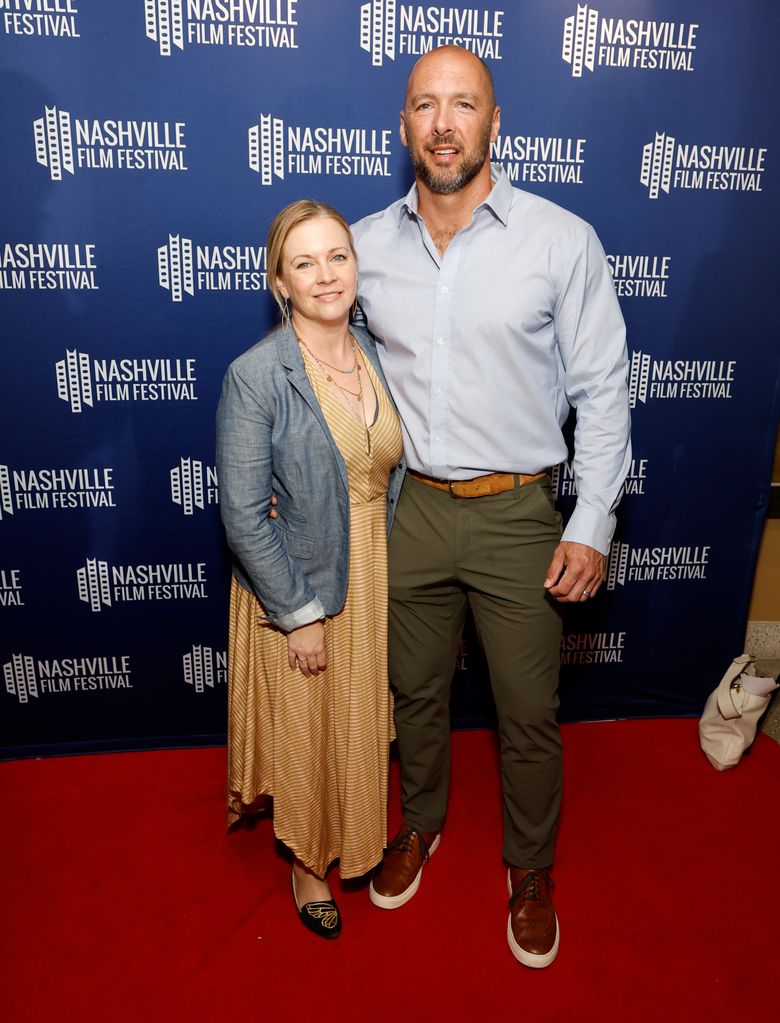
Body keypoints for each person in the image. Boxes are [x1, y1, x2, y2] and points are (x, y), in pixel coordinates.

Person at [351, 45, 631, 968]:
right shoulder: (365, 247)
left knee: (527, 710)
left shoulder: (561, 239)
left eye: (462, 105)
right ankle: (420, 825)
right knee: (415, 693)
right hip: (412, 511)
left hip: (519, 515)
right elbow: (329, 377)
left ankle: (530, 866)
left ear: (493, 123)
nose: (443, 124)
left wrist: (591, 522)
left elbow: (603, 390)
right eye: (425, 106)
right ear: (404, 126)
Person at [216, 200, 405, 940]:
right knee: (307, 729)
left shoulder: (376, 353)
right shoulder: (255, 375)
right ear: (279, 282)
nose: (326, 275)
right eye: (305, 262)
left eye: (338, 256)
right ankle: (305, 862)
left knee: (356, 719)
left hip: (371, 567)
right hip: (299, 581)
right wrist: (296, 613)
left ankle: (357, 834)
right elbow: (241, 515)